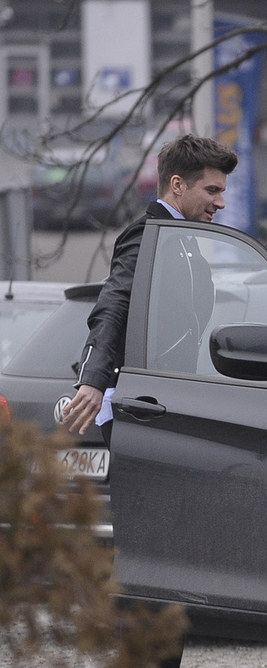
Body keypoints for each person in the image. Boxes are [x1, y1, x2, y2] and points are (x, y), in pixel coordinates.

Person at [61, 134, 238, 443]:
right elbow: (113, 304)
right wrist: (92, 380)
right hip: (137, 409)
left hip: (166, 404)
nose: (221, 203)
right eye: (212, 190)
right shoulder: (147, 236)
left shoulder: (181, 239)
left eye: (222, 191)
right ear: (178, 185)